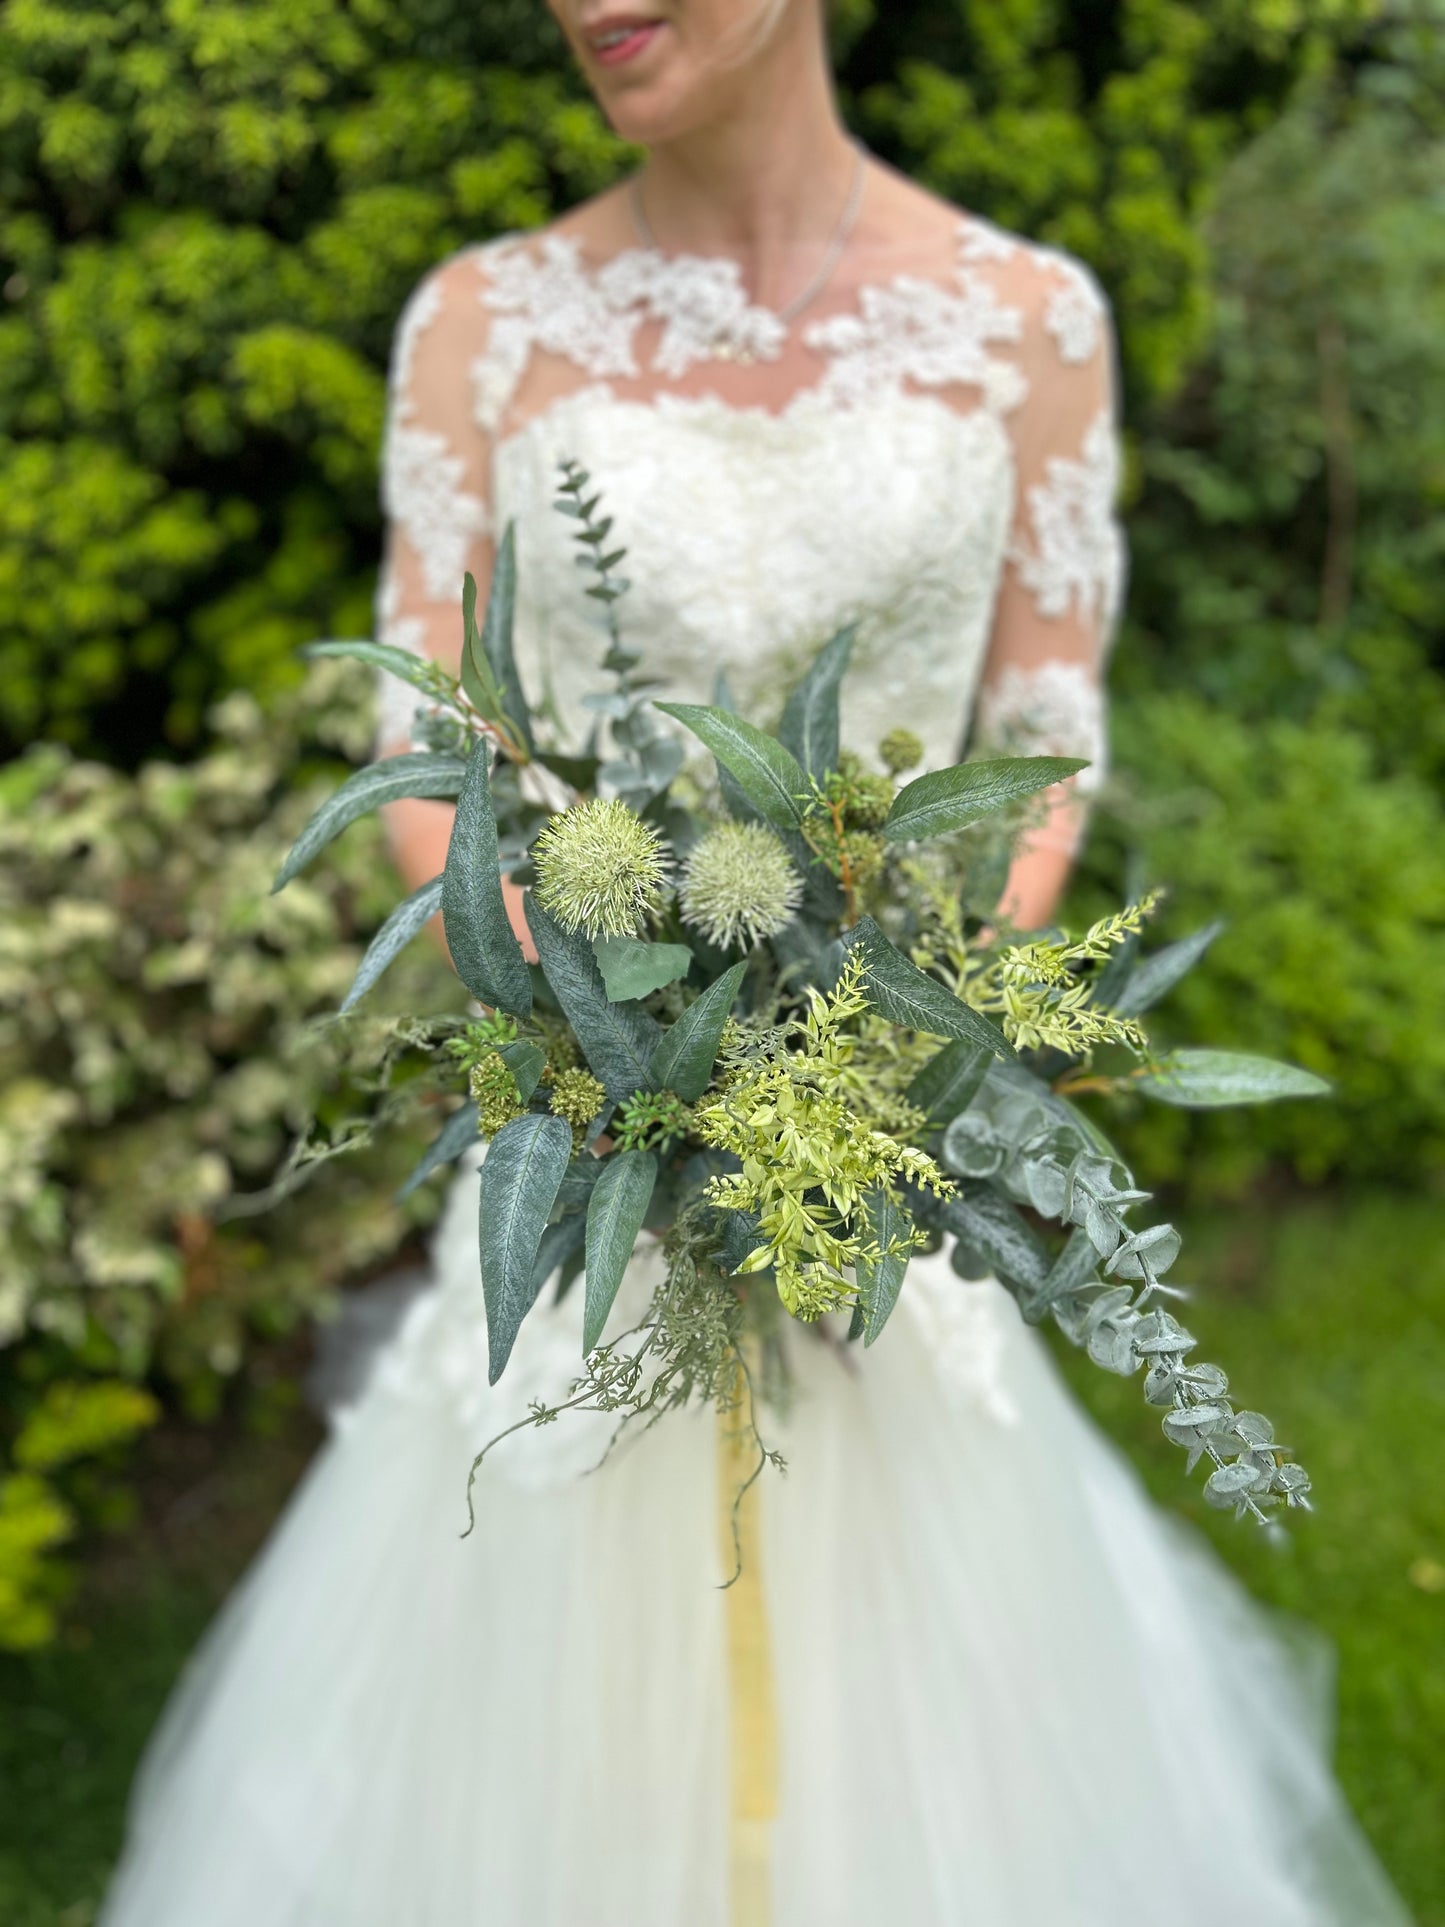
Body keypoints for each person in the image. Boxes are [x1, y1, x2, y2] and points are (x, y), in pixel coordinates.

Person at [101, 4, 1411, 1922]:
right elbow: (433, 766)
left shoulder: (1027, 324)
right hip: (593, 1161)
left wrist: (879, 1069)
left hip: (866, 1167)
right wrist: (616, 1056)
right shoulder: (482, 324)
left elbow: (1038, 758)